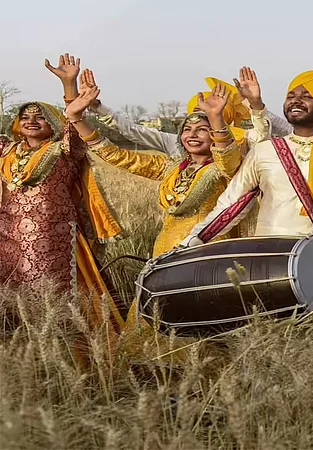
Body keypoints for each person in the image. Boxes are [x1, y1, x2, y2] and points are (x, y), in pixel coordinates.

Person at [181, 47, 313, 327]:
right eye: (291, 95)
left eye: (307, 96)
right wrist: (189, 244)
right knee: (272, 342)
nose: (296, 100)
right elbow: (230, 207)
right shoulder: (265, 151)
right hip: (267, 265)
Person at [1, 54, 124, 334]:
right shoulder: (7, 151)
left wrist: (69, 86)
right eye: (25, 117)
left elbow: (75, 128)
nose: (32, 121)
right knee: (11, 295)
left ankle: (66, 341)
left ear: (54, 125)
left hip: (53, 236)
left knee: (55, 298)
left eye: (41, 117)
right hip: (9, 236)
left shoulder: (64, 151)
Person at [69, 69, 247, 257]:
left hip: (208, 253)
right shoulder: (171, 167)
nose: (192, 135)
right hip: (165, 252)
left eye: (202, 129)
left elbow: (226, 156)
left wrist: (217, 118)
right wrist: (76, 118)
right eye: (187, 129)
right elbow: (118, 155)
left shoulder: (225, 169)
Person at [83, 68, 283, 158]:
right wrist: (97, 107)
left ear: (224, 116)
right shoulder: (177, 142)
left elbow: (264, 136)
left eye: (211, 111)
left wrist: (254, 104)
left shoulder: (243, 142)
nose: (202, 114)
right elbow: (132, 130)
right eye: (195, 111)